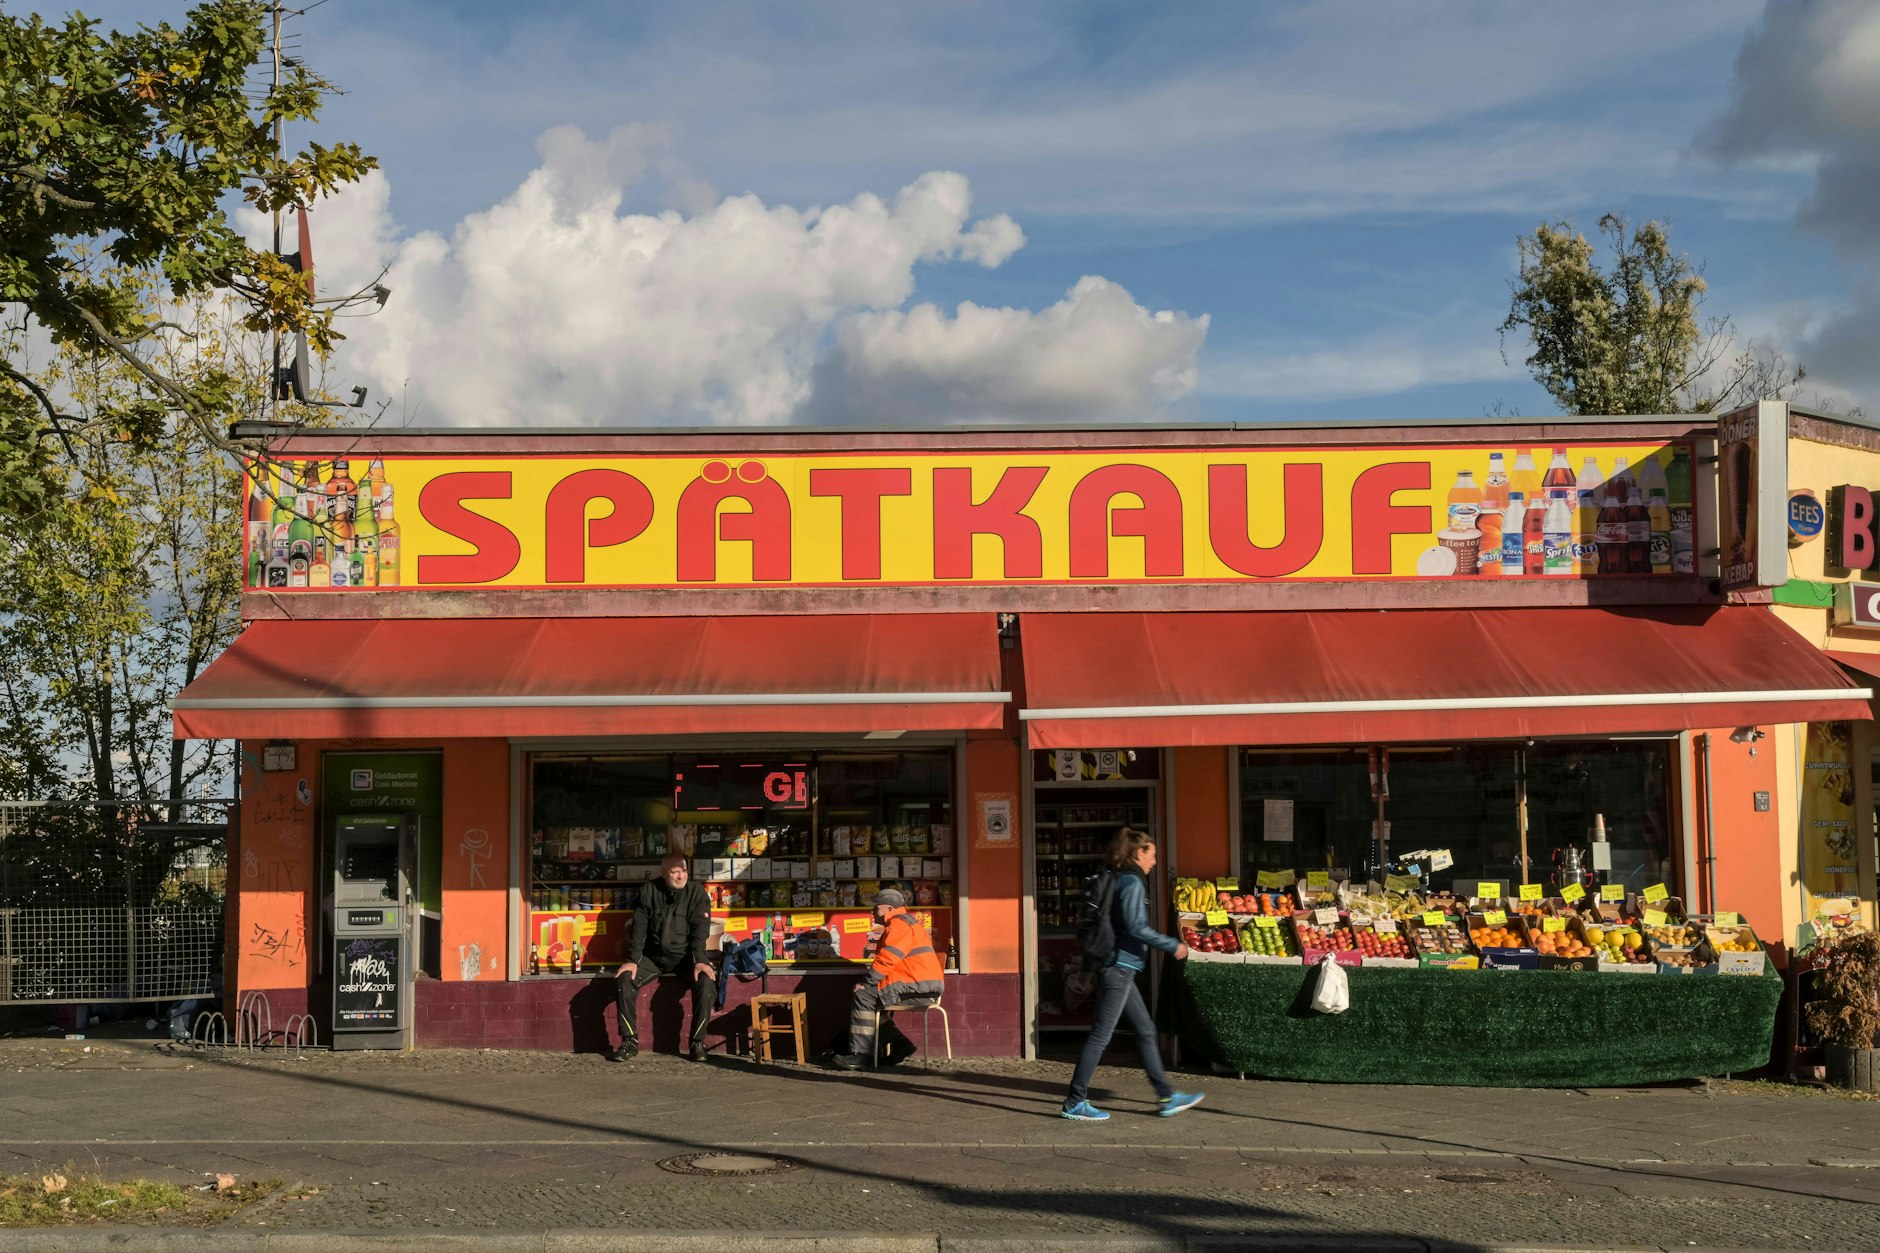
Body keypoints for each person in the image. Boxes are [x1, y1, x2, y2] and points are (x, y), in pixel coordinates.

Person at [1061, 827, 1203, 1121]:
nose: (1154, 861)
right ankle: (1075, 1101)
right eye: (1152, 855)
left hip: (1118, 967)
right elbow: (1136, 927)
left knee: (1146, 1031)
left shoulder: (1116, 879)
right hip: (1120, 968)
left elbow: (1103, 926)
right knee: (1101, 1036)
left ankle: (1166, 1096)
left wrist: (1088, 970)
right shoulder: (1132, 882)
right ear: (1139, 853)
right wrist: (1172, 945)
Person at [613, 853, 714, 1062]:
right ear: (663, 873)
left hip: (685, 957)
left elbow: (700, 930)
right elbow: (639, 928)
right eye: (674, 872)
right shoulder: (649, 890)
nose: (680, 876)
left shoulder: (696, 893)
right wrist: (632, 960)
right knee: (624, 981)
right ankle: (629, 1041)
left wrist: (700, 960)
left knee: (706, 983)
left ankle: (698, 1043)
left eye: (683, 871)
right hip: (652, 957)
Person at [827, 889, 942, 1071]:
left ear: (889, 908)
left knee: (863, 996)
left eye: (876, 908)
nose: (872, 912)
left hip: (916, 986)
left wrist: (867, 982)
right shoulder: (905, 922)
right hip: (920, 984)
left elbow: (888, 958)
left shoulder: (898, 925)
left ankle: (860, 1055)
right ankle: (899, 1044)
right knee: (873, 1000)